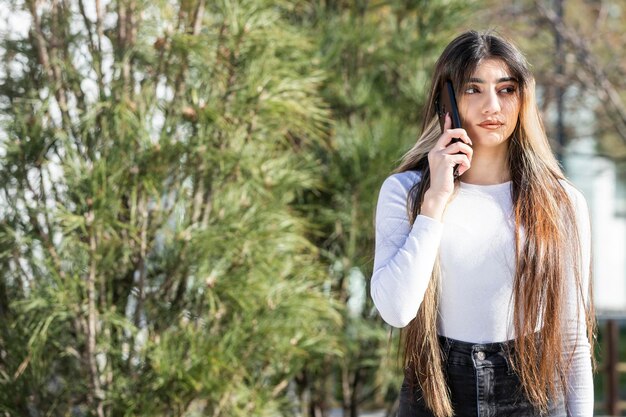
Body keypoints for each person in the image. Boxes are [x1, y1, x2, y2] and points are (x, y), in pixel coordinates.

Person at [371, 30, 594, 417]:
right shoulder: (405, 193)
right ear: (447, 102)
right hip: (437, 390)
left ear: (523, 99)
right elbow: (396, 310)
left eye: (506, 89)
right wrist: (436, 201)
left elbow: (572, 338)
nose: (493, 105)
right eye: (473, 89)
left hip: (534, 391)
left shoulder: (561, 202)